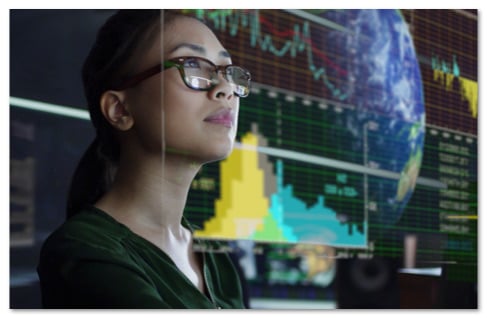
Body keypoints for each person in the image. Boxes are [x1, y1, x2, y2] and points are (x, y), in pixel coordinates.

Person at [37, 9, 251, 309]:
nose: (225, 89)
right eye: (193, 67)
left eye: (228, 72)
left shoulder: (214, 256)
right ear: (119, 110)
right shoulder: (86, 252)